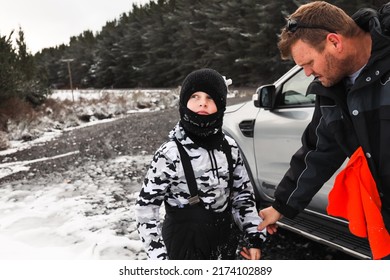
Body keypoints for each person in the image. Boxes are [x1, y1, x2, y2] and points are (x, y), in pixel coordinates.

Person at [257, 1, 390, 260]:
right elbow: (318, 151)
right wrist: (280, 206)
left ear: (334, 42)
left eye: (308, 63)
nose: (306, 73)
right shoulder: (332, 90)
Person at [135, 68, 267, 260]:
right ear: (184, 102)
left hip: (223, 242)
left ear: (221, 105)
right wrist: (158, 257)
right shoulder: (170, 154)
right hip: (183, 246)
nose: (202, 102)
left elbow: (243, 195)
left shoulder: (230, 148)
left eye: (210, 98)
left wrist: (254, 237)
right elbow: (146, 207)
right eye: (195, 96)